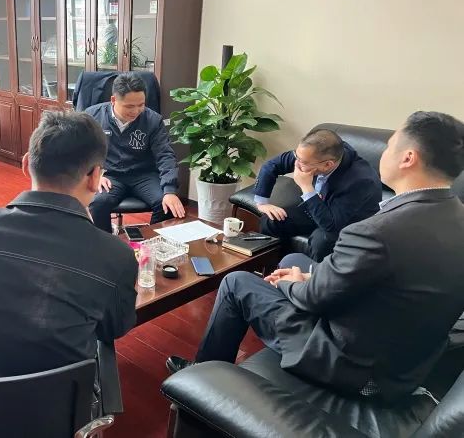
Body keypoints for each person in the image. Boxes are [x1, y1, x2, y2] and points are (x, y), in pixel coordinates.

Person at [167, 111, 464, 402]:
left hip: (354, 368)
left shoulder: (375, 231)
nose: (384, 153)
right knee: (292, 263)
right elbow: (380, 282)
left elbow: (314, 297)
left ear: (408, 158)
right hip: (402, 364)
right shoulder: (456, 217)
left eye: (389, 146)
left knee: (236, 284)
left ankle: (201, 376)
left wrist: (292, 284)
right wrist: (308, 277)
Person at [0, 111, 138, 380]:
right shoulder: (115, 255)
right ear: (95, 177)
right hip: (57, 405)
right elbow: (112, 329)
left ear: (25, 164)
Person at [253, 128, 381, 261]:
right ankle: (276, 267)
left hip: (344, 222)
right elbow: (271, 166)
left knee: (320, 242)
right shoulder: (308, 156)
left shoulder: (360, 181)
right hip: (318, 206)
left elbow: (331, 227)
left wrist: (306, 187)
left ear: (328, 165)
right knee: (271, 220)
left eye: (302, 162)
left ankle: (311, 274)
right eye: (297, 157)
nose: (296, 163)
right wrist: (262, 203)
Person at [86, 72, 185, 233]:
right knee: (98, 203)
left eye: (141, 105)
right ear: (113, 100)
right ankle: (105, 244)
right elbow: (81, 151)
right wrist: (93, 174)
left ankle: (150, 243)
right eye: (130, 106)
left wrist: (170, 190)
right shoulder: (92, 116)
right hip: (109, 175)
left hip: (143, 175)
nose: (136, 111)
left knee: (165, 203)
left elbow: (165, 155)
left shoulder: (153, 120)